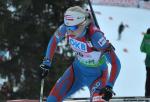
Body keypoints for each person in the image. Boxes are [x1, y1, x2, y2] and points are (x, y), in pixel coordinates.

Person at [40, 6, 121, 102]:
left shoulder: (95, 36)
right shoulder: (69, 26)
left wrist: (109, 86)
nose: (69, 32)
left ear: (82, 24)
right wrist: (47, 62)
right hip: (77, 71)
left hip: (98, 76)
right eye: (67, 28)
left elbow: (116, 63)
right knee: (52, 100)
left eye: (73, 28)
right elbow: (54, 39)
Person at [140, 28, 150, 97]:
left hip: (148, 63)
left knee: (148, 80)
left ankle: (147, 95)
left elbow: (142, 49)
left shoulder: (146, 38)